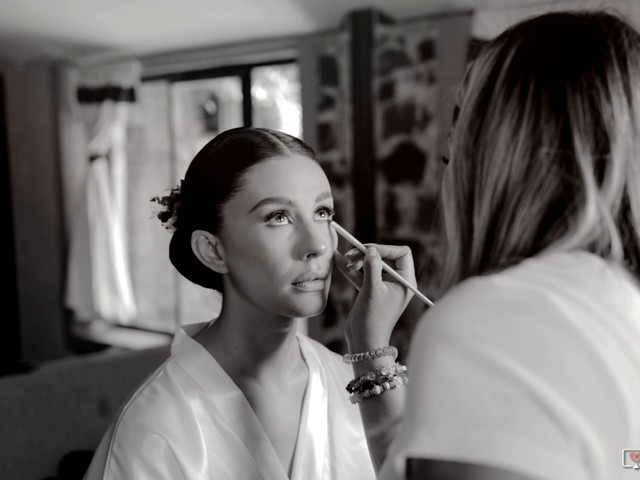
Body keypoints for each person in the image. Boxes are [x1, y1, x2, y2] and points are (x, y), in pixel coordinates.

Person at [370, 9, 640, 480]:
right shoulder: (614, 302)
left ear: (496, 154)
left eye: (458, 138)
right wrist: (371, 351)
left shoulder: (500, 320)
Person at [82, 126, 416, 480]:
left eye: (322, 212)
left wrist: (374, 351)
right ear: (213, 250)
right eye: (278, 217)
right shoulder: (154, 430)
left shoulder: (364, 383)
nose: (317, 244)